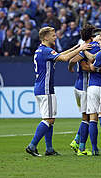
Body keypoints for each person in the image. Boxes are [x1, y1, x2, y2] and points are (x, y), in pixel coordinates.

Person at [25, 26, 90, 157]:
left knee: (50, 119)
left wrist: (78, 47)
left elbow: (63, 53)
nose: (55, 37)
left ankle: (49, 149)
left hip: (41, 88)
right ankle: (32, 145)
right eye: (53, 35)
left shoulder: (41, 50)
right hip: (45, 89)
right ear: (45, 37)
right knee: (48, 119)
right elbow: (65, 58)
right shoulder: (46, 51)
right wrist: (81, 49)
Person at [68, 24, 98, 156]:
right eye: (95, 34)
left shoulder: (82, 47)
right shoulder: (89, 47)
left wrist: (70, 67)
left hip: (78, 85)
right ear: (91, 37)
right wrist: (95, 68)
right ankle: (81, 148)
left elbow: (72, 60)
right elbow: (85, 66)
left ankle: (76, 140)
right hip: (85, 87)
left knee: (85, 117)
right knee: (86, 118)